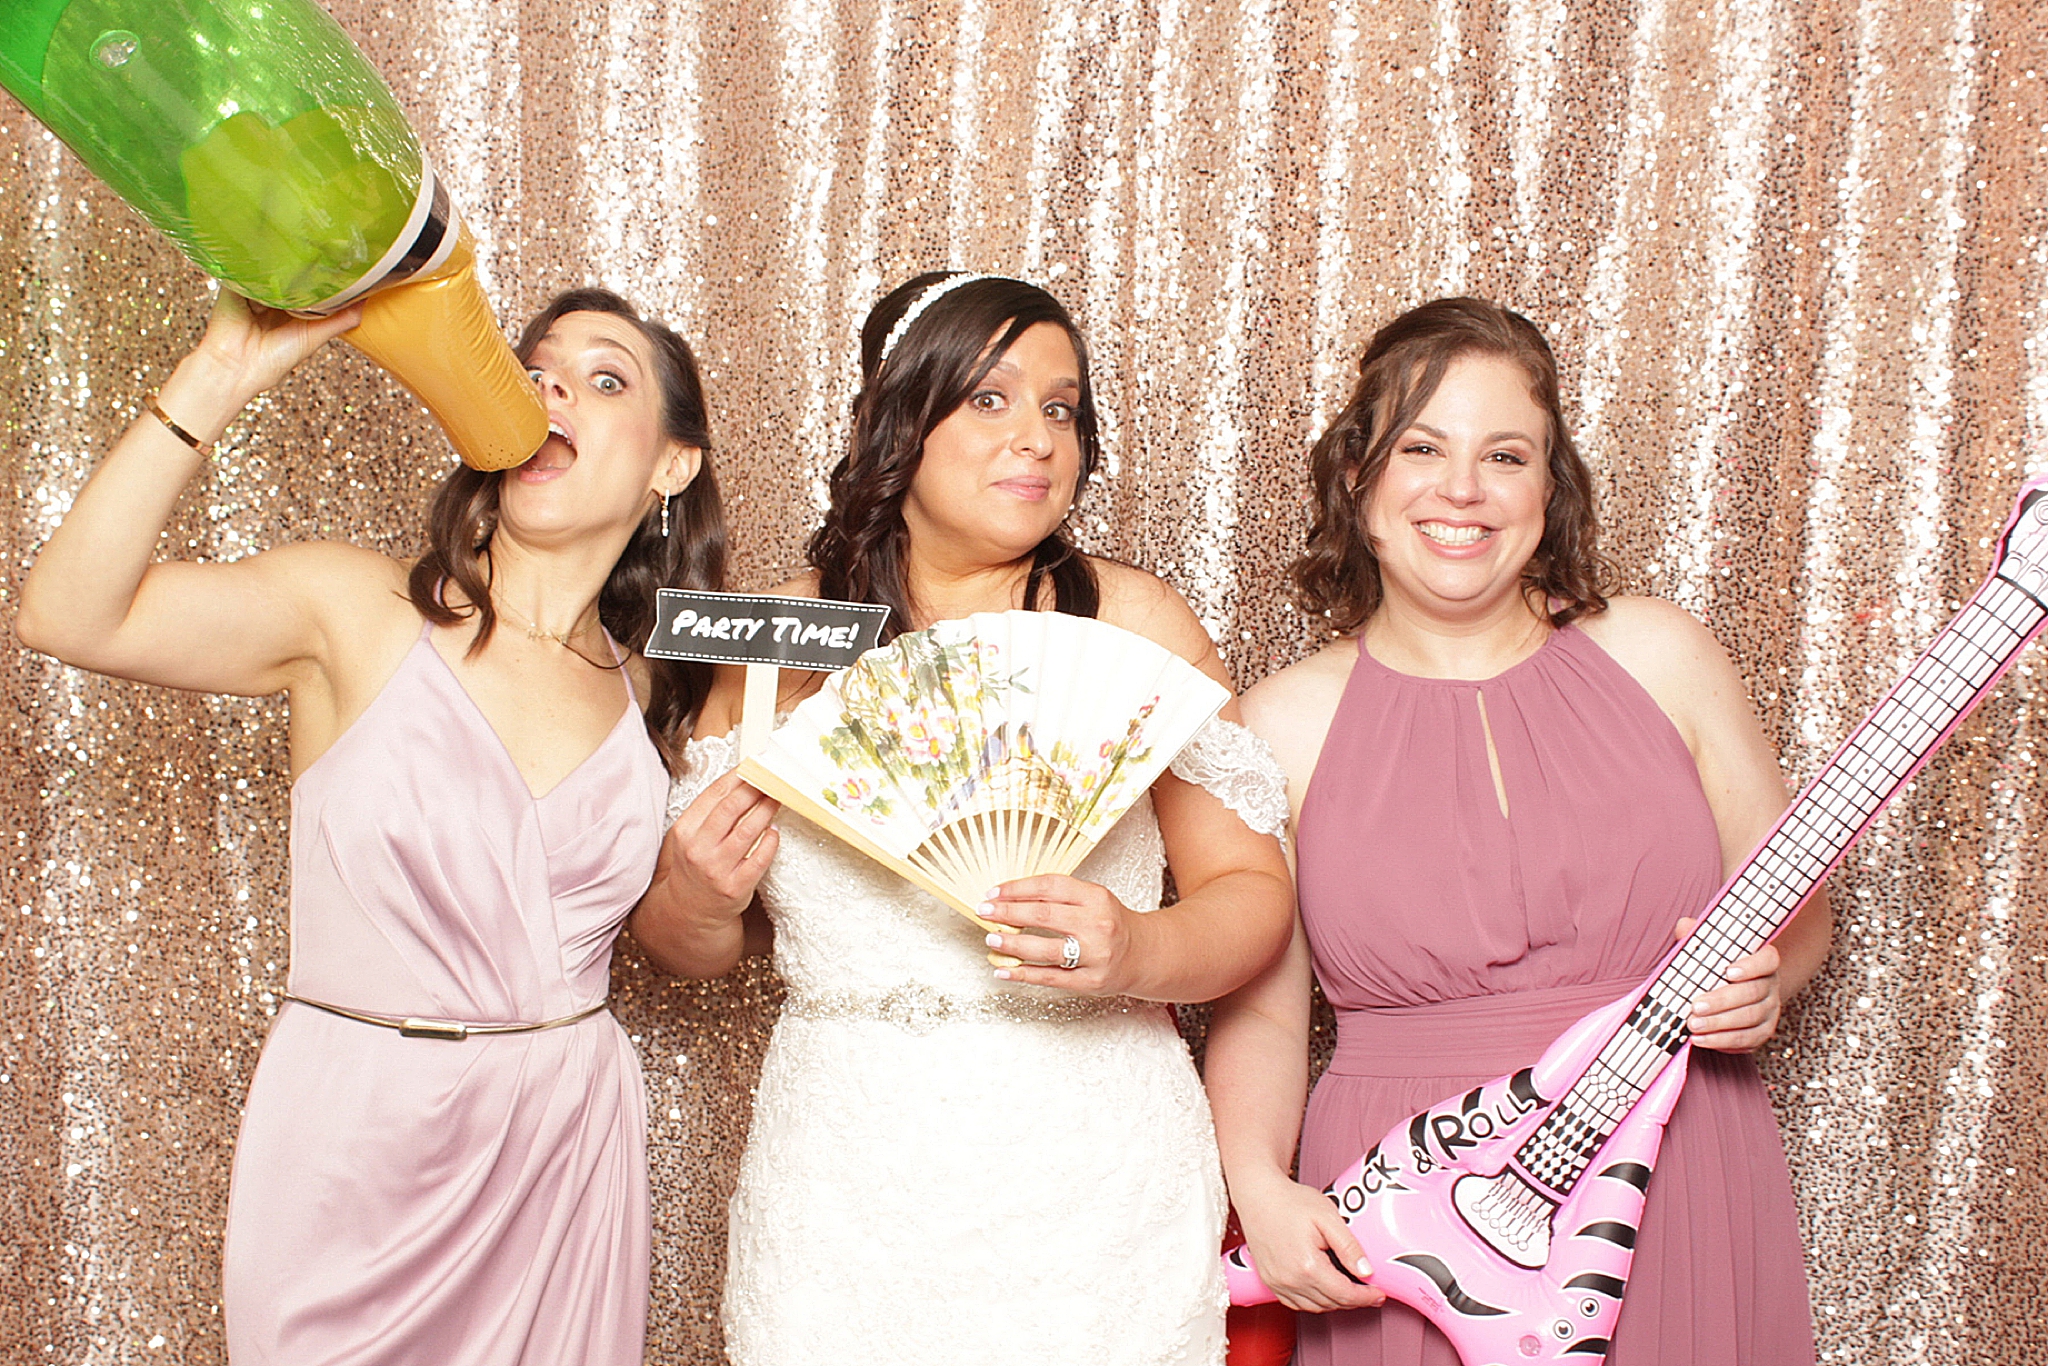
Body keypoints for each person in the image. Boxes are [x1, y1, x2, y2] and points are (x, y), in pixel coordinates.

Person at [15, 283, 725, 1363]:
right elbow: (66, 614)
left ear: (672, 464)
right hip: (356, 1147)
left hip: (563, 1148)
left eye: (603, 376)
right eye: (533, 369)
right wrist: (216, 376)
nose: (550, 388)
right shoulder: (354, 609)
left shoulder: (649, 687)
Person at [629, 271, 1296, 1365]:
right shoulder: (781, 642)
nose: (1034, 436)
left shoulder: (1126, 621)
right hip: (844, 1177)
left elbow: (1252, 897)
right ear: (895, 418)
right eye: (987, 398)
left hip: (1090, 1174)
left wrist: (1140, 945)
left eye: (1061, 406)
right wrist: (695, 894)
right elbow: (690, 948)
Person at [1203, 297, 1829, 1366]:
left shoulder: (1660, 653)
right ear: (1357, 478)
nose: (1461, 489)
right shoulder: (1277, 725)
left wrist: (1772, 979)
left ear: (1549, 489)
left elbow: (1793, 901)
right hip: (1405, 1205)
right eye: (1421, 448)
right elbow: (1263, 1013)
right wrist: (1258, 1185)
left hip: (1669, 1154)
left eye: (1504, 454)